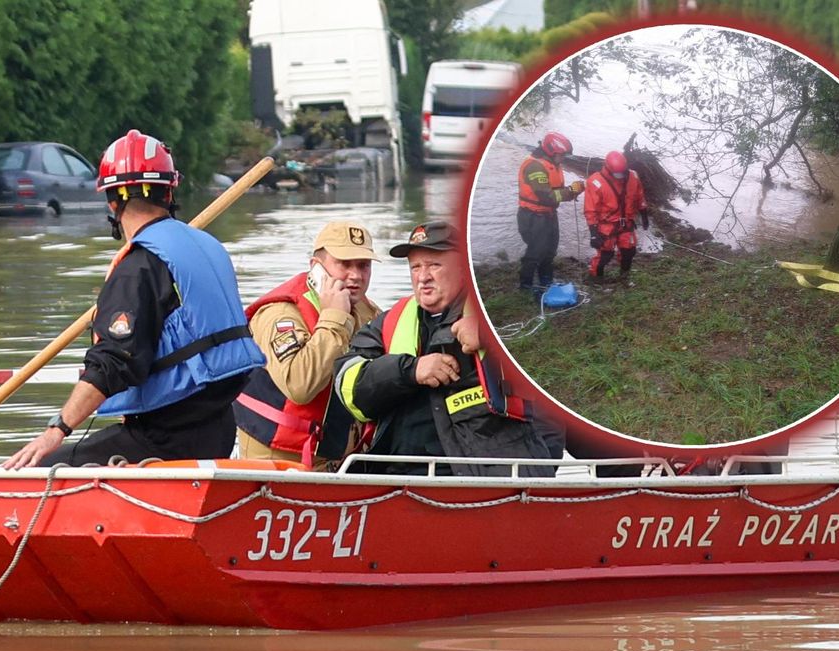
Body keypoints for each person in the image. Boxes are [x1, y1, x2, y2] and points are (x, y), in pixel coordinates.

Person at [3, 129, 264, 470]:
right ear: (169, 192)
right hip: (218, 428)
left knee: (40, 467)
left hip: (164, 439)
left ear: (112, 200)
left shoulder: (138, 268)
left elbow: (112, 362)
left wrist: (57, 428)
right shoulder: (208, 247)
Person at [332, 220, 554, 476]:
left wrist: (492, 335)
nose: (423, 276)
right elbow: (348, 386)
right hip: (402, 478)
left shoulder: (496, 311)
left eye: (434, 265)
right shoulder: (389, 322)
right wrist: (409, 371)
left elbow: (556, 357)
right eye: (415, 267)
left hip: (491, 478)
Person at [234, 221, 381, 468]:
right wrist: (334, 319)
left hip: (339, 458)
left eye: (363, 265)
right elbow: (300, 384)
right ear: (317, 268)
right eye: (344, 264)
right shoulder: (280, 314)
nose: (355, 275)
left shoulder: (369, 312)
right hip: (278, 460)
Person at [517, 131, 584, 293]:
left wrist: (573, 190)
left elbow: (555, 191)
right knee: (536, 251)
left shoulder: (553, 164)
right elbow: (546, 196)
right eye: (562, 155)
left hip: (548, 215)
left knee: (550, 249)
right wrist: (570, 191)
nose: (563, 158)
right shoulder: (535, 166)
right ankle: (525, 285)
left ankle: (546, 279)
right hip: (533, 216)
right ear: (551, 151)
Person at [584, 150, 649, 281]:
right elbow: (590, 210)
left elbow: (639, 196)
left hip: (627, 223)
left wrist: (644, 214)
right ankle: (596, 278)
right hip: (607, 226)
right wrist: (594, 233)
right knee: (605, 255)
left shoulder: (633, 176)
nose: (620, 176)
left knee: (629, 252)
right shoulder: (595, 182)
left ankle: (624, 277)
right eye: (617, 174)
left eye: (623, 172)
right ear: (608, 169)